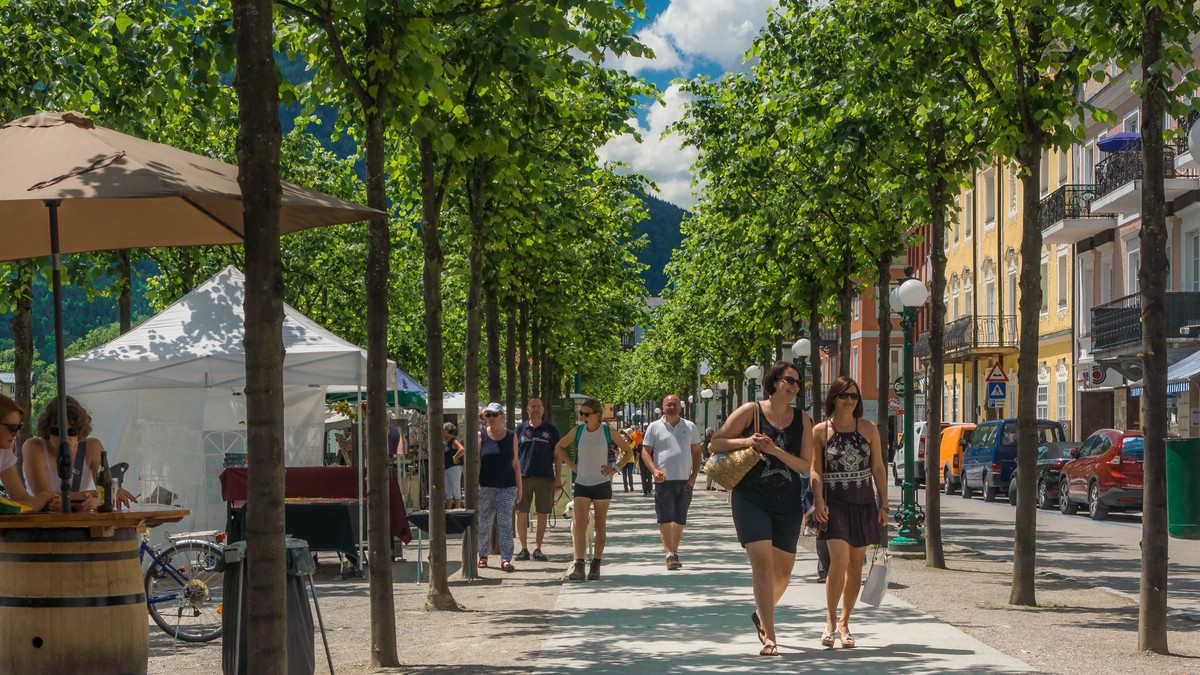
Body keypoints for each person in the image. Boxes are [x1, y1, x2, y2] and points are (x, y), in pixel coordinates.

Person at [709, 361, 812, 657]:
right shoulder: (750, 411)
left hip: (787, 502)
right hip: (750, 498)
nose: (794, 386)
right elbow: (715, 444)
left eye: (798, 383)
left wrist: (776, 451)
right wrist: (748, 440)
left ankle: (760, 613)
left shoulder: (802, 419)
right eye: (789, 380)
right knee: (763, 564)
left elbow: (804, 465)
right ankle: (770, 635)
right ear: (774, 381)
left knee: (783, 573)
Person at [811, 375, 888, 649]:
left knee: (856, 566)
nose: (849, 400)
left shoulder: (868, 429)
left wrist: (884, 505)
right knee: (838, 562)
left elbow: (878, 468)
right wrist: (818, 499)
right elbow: (815, 469)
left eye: (854, 396)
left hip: (864, 503)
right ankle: (830, 621)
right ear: (834, 398)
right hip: (835, 505)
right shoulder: (821, 430)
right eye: (844, 395)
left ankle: (845, 622)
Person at [554, 398, 633, 581]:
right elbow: (559, 447)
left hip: (601, 483)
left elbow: (628, 451)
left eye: (586, 414)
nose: (583, 417)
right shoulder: (578, 431)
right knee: (580, 525)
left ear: (597, 415)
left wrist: (616, 468)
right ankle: (579, 564)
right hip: (582, 483)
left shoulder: (608, 431)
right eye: (580, 414)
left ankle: (596, 563)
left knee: (599, 526)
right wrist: (572, 466)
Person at [23, 396, 135, 510]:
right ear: (47, 430)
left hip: (78, 520)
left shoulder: (92, 447)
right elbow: (45, 497)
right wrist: (92, 495)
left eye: (71, 431)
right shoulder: (34, 446)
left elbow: (106, 496)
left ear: (80, 431)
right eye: (57, 431)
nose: (64, 437)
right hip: (39, 521)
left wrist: (94, 502)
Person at [641, 395, 702, 571]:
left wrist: (693, 478)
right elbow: (645, 451)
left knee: (680, 519)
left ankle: (675, 550)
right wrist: (654, 471)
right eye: (669, 404)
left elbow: (697, 452)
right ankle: (669, 554)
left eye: (675, 404)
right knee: (666, 518)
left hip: (685, 481)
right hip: (664, 480)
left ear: (680, 407)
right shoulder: (654, 427)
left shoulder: (690, 427)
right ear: (663, 407)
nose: (672, 407)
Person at [514, 397, 561, 562]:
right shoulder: (519, 429)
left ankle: (538, 548)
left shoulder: (551, 430)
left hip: (545, 477)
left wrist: (558, 479)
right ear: (527, 409)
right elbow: (514, 456)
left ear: (543, 410)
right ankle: (523, 549)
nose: (535, 409)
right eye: (532, 406)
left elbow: (557, 456)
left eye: (538, 406)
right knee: (521, 512)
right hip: (523, 478)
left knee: (542, 513)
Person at [477, 402, 522, 572]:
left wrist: (520, 487)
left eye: (494, 415)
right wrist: (474, 484)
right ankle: (482, 555)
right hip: (486, 486)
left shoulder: (512, 436)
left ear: (502, 416)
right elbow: (477, 463)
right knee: (484, 522)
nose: (491, 418)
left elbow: (516, 464)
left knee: (505, 522)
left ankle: (505, 558)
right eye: (488, 415)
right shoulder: (481, 435)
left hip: (507, 487)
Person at [0, 394, 59, 512]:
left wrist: (49, 500)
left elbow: (20, 498)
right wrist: (40, 500)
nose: (17, 434)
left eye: (19, 427)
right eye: (12, 428)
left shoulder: (4, 453)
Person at [442, 423, 465, 510]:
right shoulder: (446, 442)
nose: (442, 431)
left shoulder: (454, 440)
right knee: (448, 491)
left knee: (456, 489)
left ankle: (457, 509)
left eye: (443, 429)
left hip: (453, 468)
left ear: (448, 430)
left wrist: (455, 457)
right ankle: (448, 510)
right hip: (447, 468)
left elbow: (461, 449)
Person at [633, 425, 652, 496]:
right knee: (646, 476)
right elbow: (637, 453)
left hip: (647, 462)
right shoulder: (642, 445)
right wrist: (635, 461)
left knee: (647, 476)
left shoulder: (646, 444)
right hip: (644, 462)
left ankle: (648, 491)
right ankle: (646, 491)